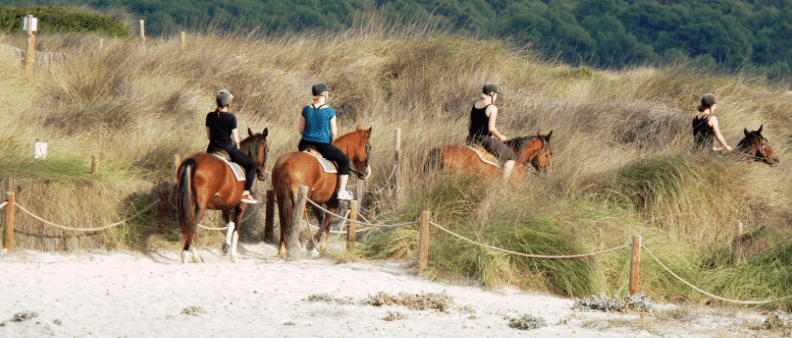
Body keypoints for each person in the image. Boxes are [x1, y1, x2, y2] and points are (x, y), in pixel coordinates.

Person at [298, 82, 354, 200]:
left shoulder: (306, 109)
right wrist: (330, 142)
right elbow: (333, 132)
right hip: (322, 145)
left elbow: (300, 130)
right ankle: (342, 191)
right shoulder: (330, 111)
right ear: (326, 94)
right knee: (344, 161)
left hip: (304, 144)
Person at [206, 89, 258, 204]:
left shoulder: (210, 116)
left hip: (211, 149)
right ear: (228, 103)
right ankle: (245, 193)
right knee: (252, 165)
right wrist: (238, 145)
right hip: (228, 148)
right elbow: (236, 139)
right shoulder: (231, 117)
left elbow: (209, 136)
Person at [466, 82, 518, 180]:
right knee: (511, 158)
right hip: (484, 140)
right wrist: (500, 137)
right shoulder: (492, 108)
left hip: (470, 138)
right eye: (496, 95)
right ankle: (503, 184)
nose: (497, 97)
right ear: (492, 94)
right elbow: (491, 128)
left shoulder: (475, 105)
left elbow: (469, 126)